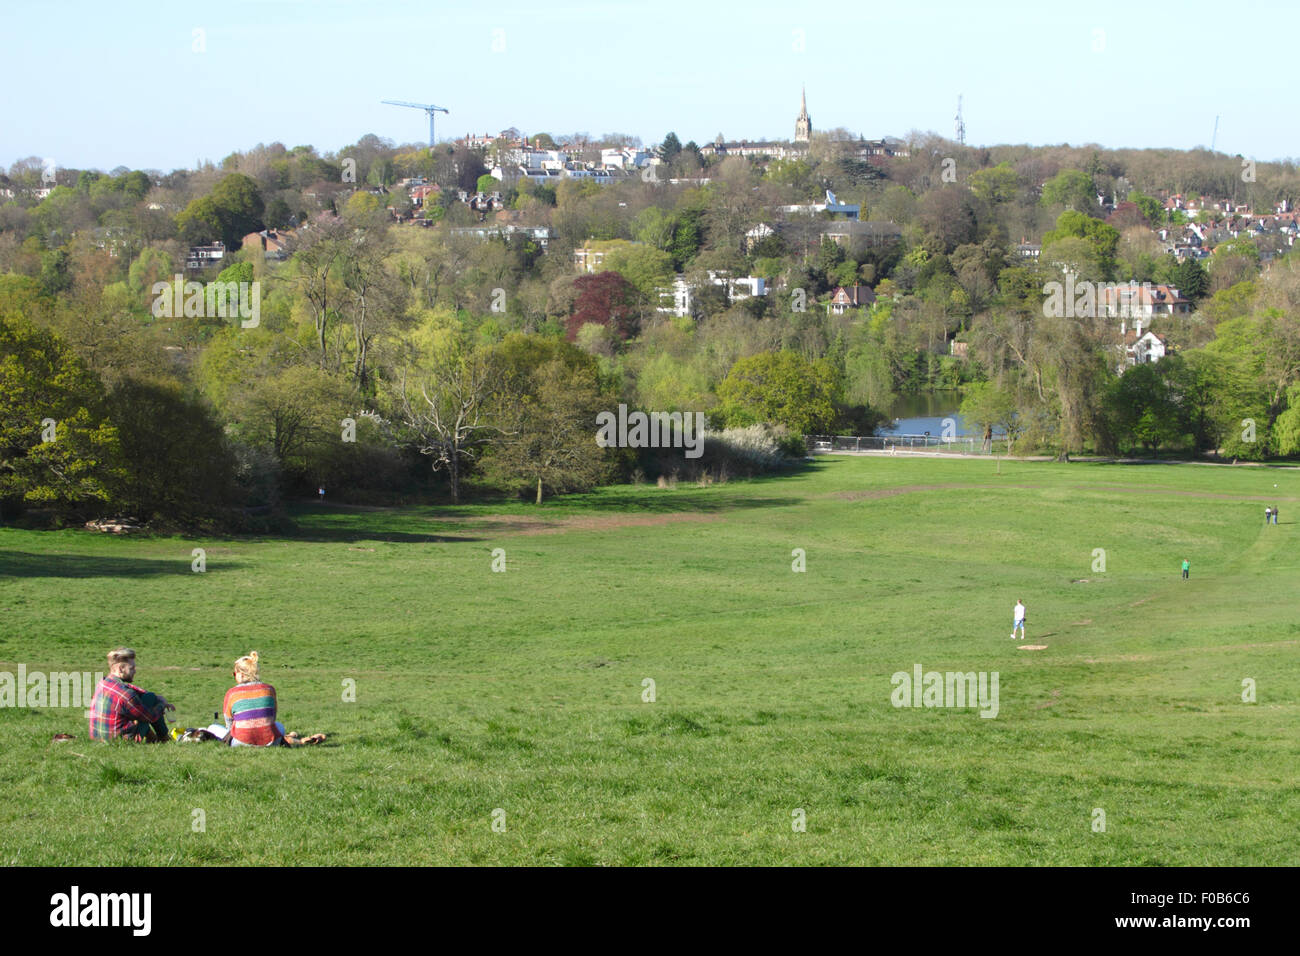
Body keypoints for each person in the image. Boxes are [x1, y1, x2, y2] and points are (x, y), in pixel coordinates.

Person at [223, 651, 324, 747]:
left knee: (213, 728)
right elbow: (272, 717)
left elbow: (229, 724)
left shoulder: (232, 693)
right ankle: (292, 739)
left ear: (241, 674)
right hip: (271, 741)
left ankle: (292, 738)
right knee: (279, 726)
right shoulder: (269, 689)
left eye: (234, 674)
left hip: (241, 742)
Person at [89, 648, 175, 742]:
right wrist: (161, 705)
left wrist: (155, 697)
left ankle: (154, 737)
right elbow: (151, 716)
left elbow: (128, 687)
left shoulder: (102, 682)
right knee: (150, 698)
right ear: (121, 669)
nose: (135, 671)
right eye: (132, 668)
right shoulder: (127, 695)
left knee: (149, 696)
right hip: (121, 741)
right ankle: (163, 737)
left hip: (97, 738)